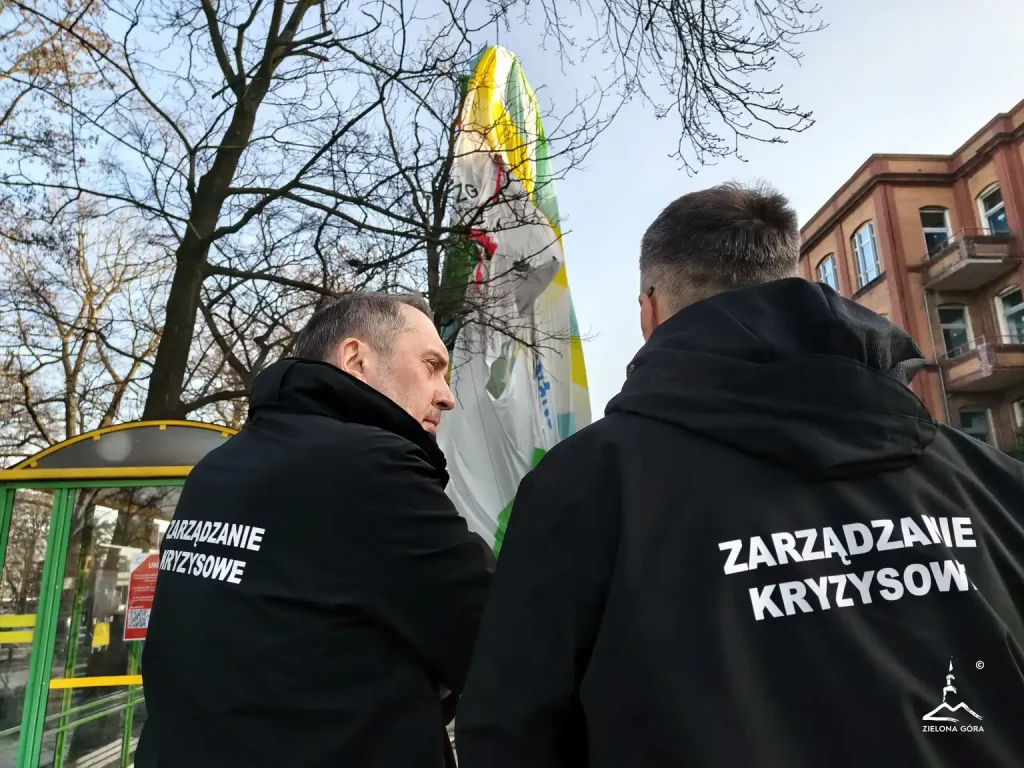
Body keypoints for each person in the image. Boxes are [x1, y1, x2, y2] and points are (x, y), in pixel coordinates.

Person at [455, 183, 1024, 768]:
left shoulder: (582, 489)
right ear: (791, 281)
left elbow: (510, 730)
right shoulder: (989, 479)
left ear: (649, 307)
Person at [137, 292, 495, 768]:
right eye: (432, 365)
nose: (447, 395)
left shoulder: (216, 468)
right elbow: (501, 640)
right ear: (355, 359)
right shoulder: (371, 466)